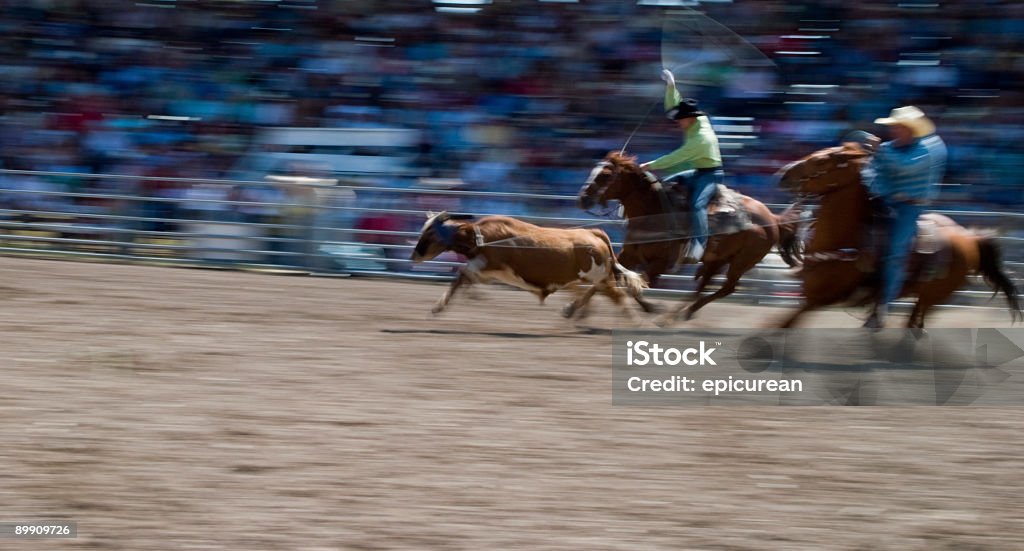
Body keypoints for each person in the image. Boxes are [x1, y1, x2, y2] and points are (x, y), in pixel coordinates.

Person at [863, 106, 947, 328]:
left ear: (911, 128)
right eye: (892, 126)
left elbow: (906, 168)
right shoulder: (890, 147)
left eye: (898, 126)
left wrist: (878, 152)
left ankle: (883, 305)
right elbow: (871, 170)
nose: (893, 130)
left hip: (909, 207)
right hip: (883, 201)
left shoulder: (928, 149)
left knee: (895, 252)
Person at [640, 69, 723, 263]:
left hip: (711, 175)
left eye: (681, 119)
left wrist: (650, 165)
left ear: (690, 118)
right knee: (662, 185)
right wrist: (671, 86)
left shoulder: (701, 139)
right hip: (698, 171)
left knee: (697, 204)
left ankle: (699, 246)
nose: (678, 122)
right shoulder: (697, 120)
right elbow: (675, 106)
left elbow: (676, 157)